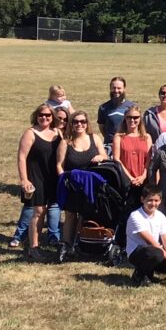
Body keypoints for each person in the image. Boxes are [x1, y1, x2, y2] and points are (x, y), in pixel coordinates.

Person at [56, 109, 107, 262]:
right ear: (71, 124)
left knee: (85, 215)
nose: (79, 124)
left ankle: (79, 243)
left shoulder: (95, 138)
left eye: (82, 122)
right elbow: (59, 165)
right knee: (71, 215)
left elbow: (105, 155)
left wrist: (100, 156)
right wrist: (63, 180)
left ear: (87, 124)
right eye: (76, 121)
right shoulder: (66, 142)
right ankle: (66, 244)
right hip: (72, 184)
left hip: (90, 184)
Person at [16, 105, 61, 261]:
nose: (44, 118)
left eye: (48, 115)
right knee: (39, 211)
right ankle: (33, 248)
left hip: (53, 178)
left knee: (52, 208)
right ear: (36, 116)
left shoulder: (57, 132)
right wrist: (24, 179)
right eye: (41, 115)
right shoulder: (30, 133)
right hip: (36, 177)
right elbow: (21, 157)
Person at [112, 107, 153, 188]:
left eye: (135, 117)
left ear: (140, 119)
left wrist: (143, 176)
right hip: (125, 180)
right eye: (129, 117)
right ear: (125, 118)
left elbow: (148, 159)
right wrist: (130, 178)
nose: (132, 120)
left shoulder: (147, 137)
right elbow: (116, 159)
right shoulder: (118, 137)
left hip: (143, 180)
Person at [97, 76, 135, 146]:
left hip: (128, 145)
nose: (116, 91)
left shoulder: (132, 107)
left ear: (124, 89)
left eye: (119, 88)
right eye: (114, 88)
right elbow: (102, 128)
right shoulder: (103, 108)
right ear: (110, 89)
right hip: (110, 145)